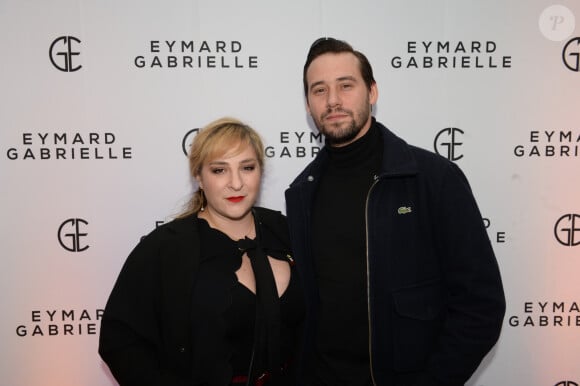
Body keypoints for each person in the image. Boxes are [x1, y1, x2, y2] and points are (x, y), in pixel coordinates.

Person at [284, 37, 506, 386]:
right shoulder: (301, 192)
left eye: (346, 85)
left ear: (372, 92)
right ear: (308, 104)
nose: (333, 101)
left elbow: (481, 306)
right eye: (319, 90)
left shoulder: (433, 178)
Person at [99, 117, 304, 386]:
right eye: (219, 170)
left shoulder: (287, 231)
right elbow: (120, 342)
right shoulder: (166, 248)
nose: (236, 183)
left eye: (247, 168)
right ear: (198, 176)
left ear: (260, 172)